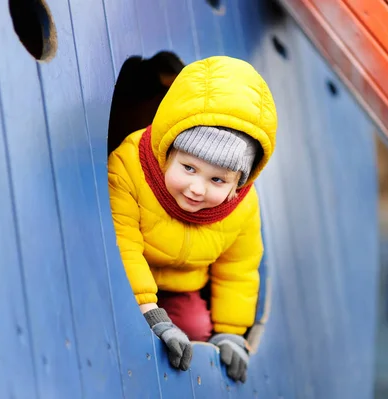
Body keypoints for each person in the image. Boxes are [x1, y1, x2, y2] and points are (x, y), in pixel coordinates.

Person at [108, 55, 277, 383]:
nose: (197, 188)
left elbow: (238, 269)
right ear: (168, 151)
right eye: (188, 168)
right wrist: (149, 313)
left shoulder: (242, 205)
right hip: (123, 280)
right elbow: (122, 243)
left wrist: (231, 334)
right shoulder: (129, 165)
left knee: (198, 330)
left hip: (181, 284)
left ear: (238, 183)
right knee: (122, 329)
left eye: (218, 180)